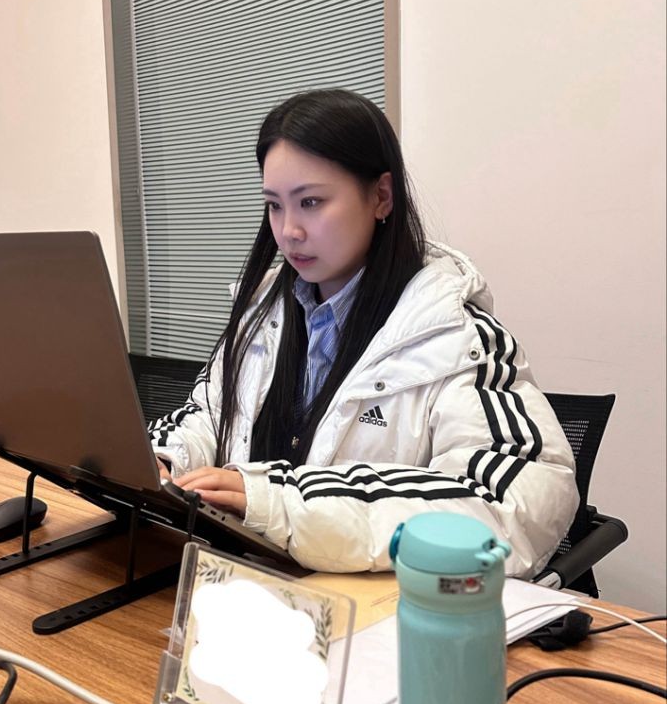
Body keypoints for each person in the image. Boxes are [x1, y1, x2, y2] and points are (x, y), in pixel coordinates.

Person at [149, 88, 578, 578]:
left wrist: (286, 504)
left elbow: (516, 501)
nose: (288, 231)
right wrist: (163, 461)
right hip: (251, 588)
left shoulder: (455, 334)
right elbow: (208, 416)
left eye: (311, 202)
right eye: (274, 205)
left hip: (378, 606)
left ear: (380, 197)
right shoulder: (260, 314)